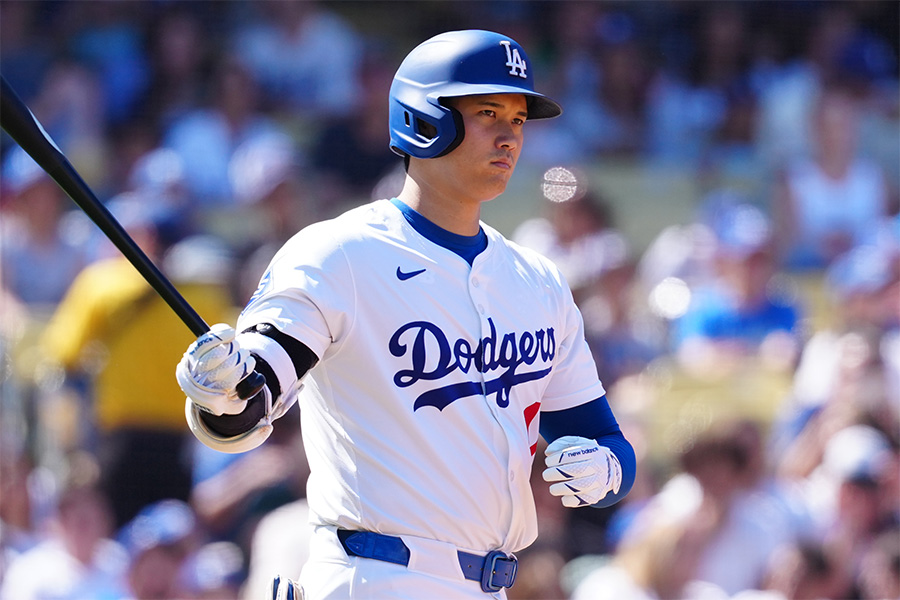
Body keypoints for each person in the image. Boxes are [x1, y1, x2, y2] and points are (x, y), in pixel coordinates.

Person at [175, 29, 636, 599]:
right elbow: (252, 396)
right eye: (488, 112)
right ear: (423, 119)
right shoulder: (339, 253)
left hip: (493, 584)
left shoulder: (537, 281)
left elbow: (601, 436)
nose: (508, 136)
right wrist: (223, 389)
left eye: (518, 119)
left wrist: (606, 471)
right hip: (375, 575)